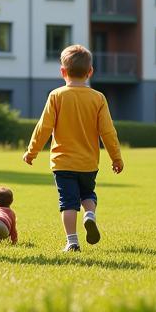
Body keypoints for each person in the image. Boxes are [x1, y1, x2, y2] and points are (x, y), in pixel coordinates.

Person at [24, 43, 124, 253]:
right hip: (88, 163)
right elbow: (108, 132)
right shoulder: (98, 98)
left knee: (68, 202)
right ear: (90, 72)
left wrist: (32, 151)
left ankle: (72, 241)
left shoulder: (57, 96)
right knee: (88, 193)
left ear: (63, 71)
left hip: (63, 163)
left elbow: (44, 127)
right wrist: (116, 158)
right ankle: (90, 214)